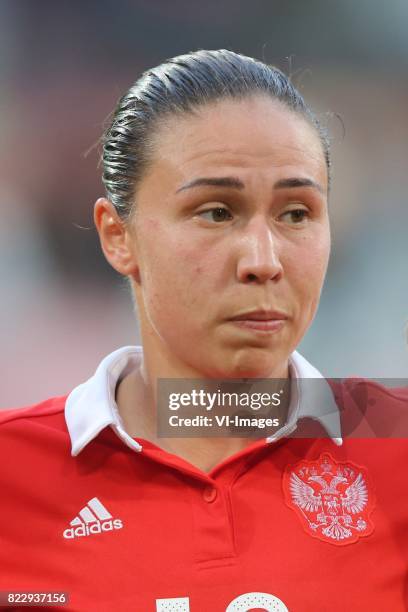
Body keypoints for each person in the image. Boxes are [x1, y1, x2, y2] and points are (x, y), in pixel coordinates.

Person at [0, 49, 407, 612]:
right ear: (118, 236)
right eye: (217, 212)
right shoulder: (11, 474)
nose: (263, 260)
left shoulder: (398, 448)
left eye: (296, 213)